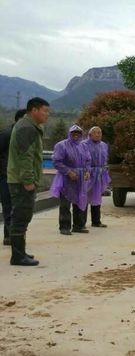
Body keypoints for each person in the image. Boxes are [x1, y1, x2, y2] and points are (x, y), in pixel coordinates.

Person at [7, 97, 49, 266]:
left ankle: (21, 252)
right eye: (45, 111)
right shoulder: (27, 129)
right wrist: (28, 181)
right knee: (21, 216)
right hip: (21, 181)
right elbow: (25, 157)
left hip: (20, 179)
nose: (47, 115)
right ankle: (17, 256)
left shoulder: (30, 127)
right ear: (34, 110)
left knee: (23, 216)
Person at [50, 124, 92, 235]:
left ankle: (78, 225)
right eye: (74, 133)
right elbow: (56, 162)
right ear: (70, 134)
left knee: (80, 202)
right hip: (66, 179)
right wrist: (68, 172)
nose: (76, 136)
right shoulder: (61, 145)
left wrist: (87, 171)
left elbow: (88, 160)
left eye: (78, 133)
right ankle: (64, 227)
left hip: (81, 179)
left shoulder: (83, 146)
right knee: (65, 204)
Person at [0, 109, 27, 246]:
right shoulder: (6, 134)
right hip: (7, 177)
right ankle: (11, 236)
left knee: (19, 208)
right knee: (9, 207)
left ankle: (14, 236)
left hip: (22, 178)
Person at [83, 126, 111, 228]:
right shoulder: (84, 145)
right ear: (90, 135)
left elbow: (105, 159)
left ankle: (96, 221)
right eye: (95, 133)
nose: (98, 134)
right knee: (84, 197)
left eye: (99, 133)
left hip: (99, 174)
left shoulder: (103, 145)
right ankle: (81, 223)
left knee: (97, 197)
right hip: (88, 174)